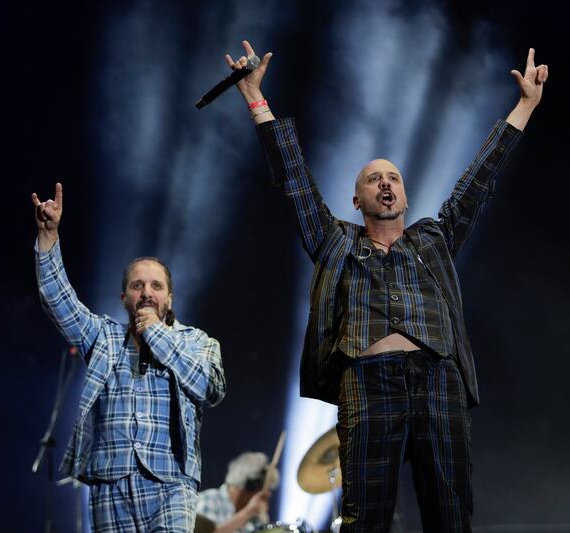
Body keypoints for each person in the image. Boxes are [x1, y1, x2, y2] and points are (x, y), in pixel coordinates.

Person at [224, 41, 547, 532]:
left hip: (438, 376)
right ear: (357, 199)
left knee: (450, 513)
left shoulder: (433, 238)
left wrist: (523, 106)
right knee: (365, 517)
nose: (385, 184)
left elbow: (480, 182)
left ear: (405, 193)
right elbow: (292, 180)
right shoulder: (335, 241)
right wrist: (255, 98)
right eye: (374, 180)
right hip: (367, 383)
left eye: (392, 177)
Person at [30, 183, 226, 532]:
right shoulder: (103, 337)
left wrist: (156, 332)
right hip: (109, 482)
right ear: (124, 298)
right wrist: (49, 238)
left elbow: (209, 389)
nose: (146, 293)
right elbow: (58, 302)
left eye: (156, 286)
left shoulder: (198, 341)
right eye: (137, 286)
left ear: (169, 298)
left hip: (171, 483)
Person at [196, 452, 279, 533]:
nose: (267, 496)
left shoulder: (255, 518)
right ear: (250, 485)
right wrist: (248, 512)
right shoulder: (209, 500)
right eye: (262, 491)